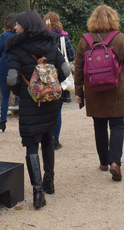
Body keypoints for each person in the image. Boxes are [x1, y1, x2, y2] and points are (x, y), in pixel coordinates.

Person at [6, 10, 70, 209]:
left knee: (31, 144)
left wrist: (25, 92)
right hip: (50, 101)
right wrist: (50, 85)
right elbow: (65, 70)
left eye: (18, 24)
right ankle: (49, 182)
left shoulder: (16, 48)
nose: (15, 28)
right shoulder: (50, 44)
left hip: (29, 102)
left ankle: (37, 192)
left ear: (26, 25)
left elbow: (12, 79)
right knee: (47, 138)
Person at [74, 5, 124, 182]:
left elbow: (78, 69)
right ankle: (115, 162)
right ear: (113, 19)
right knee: (117, 125)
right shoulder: (120, 38)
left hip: (94, 91)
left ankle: (103, 162)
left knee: (99, 125)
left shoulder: (84, 40)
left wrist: (79, 91)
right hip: (116, 90)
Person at [44, 12, 75, 150]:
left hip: (45, 77)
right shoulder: (63, 38)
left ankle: (46, 137)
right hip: (60, 77)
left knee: (45, 110)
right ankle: (55, 139)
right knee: (58, 111)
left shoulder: (42, 37)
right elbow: (72, 56)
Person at [0, 13, 18, 132]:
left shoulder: (4, 36)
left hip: (5, 67)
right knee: (20, 93)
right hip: (18, 66)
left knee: (5, 95)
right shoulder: (21, 36)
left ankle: (2, 121)